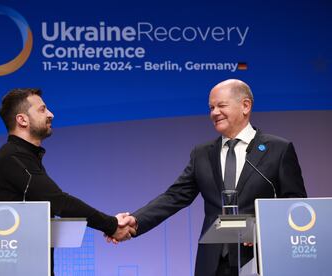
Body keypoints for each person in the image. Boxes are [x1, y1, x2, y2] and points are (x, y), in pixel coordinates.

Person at [111, 79, 307, 276]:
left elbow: (295, 204)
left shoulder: (278, 149)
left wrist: (265, 227)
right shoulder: (202, 154)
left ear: (245, 106)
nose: (214, 113)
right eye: (211, 107)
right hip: (213, 263)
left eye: (221, 105)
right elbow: (175, 196)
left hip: (261, 259)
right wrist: (135, 222)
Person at [0, 88, 135, 275]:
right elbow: (59, 202)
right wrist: (112, 225)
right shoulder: (13, 156)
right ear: (22, 120)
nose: (51, 114)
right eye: (42, 110)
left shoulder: (24, 157)